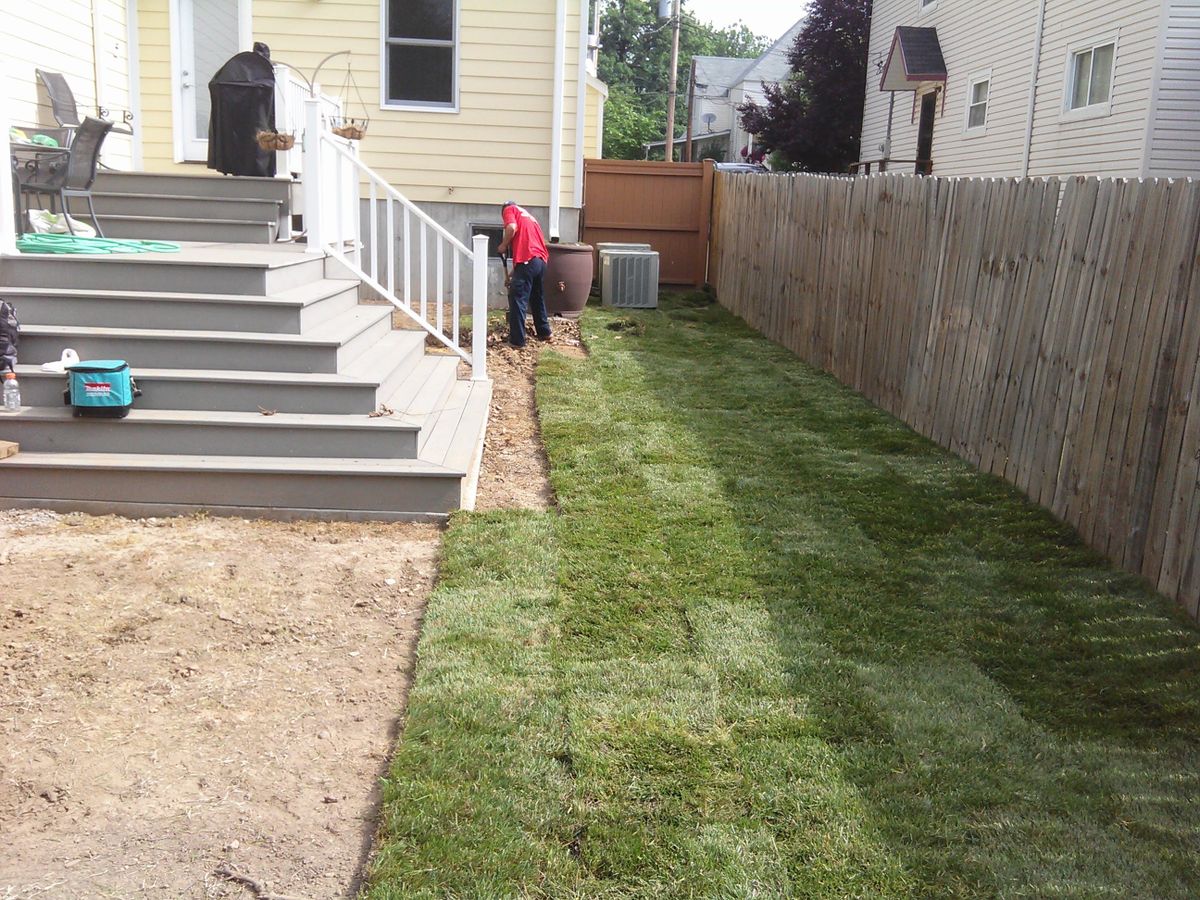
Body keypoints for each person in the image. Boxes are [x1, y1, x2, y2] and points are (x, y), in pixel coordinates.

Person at [496, 200, 551, 348]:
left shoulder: (509, 210)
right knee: (536, 297)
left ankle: (517, 341)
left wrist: (503, 245)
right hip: (540, 262)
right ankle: (544, 331)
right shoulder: (529, 217)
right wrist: (514, 274)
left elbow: (511, 228)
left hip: (528, 260)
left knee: (517, 299)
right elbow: (529, 255)